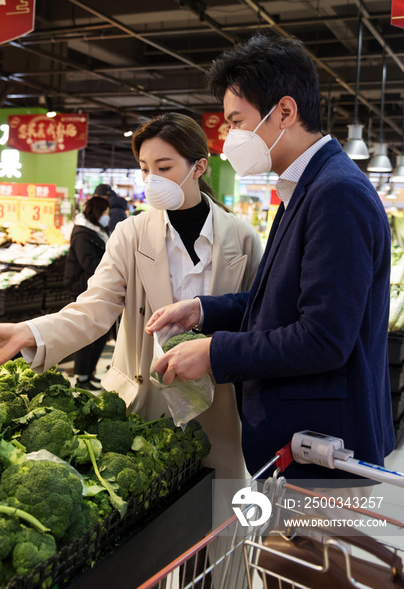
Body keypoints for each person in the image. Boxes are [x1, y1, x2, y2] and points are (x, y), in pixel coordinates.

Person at [146, 34, 395, 482]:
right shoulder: (303, 189)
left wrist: (214, 352)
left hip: (324, 449)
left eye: (237, 121)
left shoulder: (336, 193)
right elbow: (276, 301)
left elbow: (322, 338)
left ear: (284, 111)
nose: (230, 137)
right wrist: (203, 310)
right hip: (301, 442)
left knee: (319, 554)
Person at [0, 112, 263, 483]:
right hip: (142, 400)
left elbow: (255, 319)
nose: (152, 179)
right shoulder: (131, 234)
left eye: (164, 166)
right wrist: (28, 333)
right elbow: (93, 308)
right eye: (144, 168)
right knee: (150, 518)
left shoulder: (243, 238)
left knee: (214, 518)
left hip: (216, 405)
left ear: (199, 166)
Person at [64, 195, 111, 390]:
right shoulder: (82, 233)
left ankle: (90, 372)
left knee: (100, 334)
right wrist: (111, 268)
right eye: (106, 213)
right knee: (86, 333)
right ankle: (82, 377)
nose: (107, 216)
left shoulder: (98, 231)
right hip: (83, 288)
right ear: (97, 213)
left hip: (95, 286)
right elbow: (87, 262)